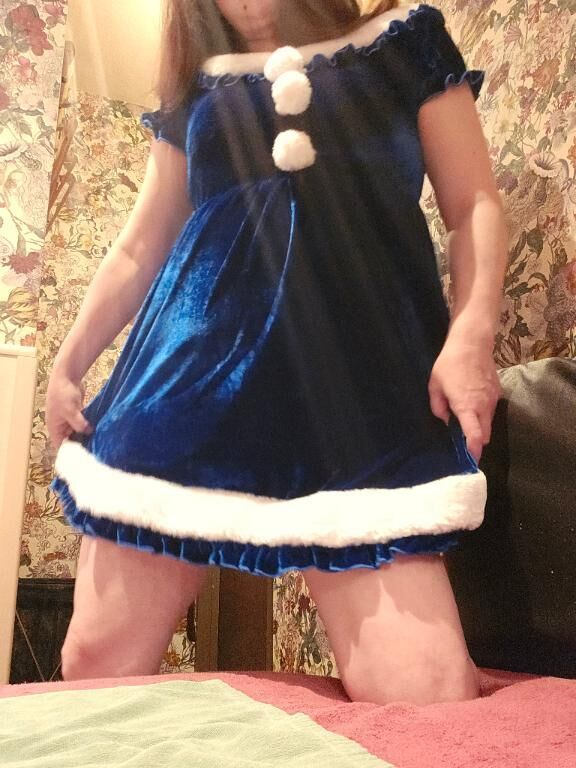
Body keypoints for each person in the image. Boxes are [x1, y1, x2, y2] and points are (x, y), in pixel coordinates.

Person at [46, 0, 507, 705]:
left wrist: (472, 334)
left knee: (427, 695)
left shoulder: (401, 43)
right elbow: (140, 246)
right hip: (182, 392)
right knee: (94, 664)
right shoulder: (199, 89)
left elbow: (473, 202)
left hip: (362, 407)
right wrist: (68, 363)